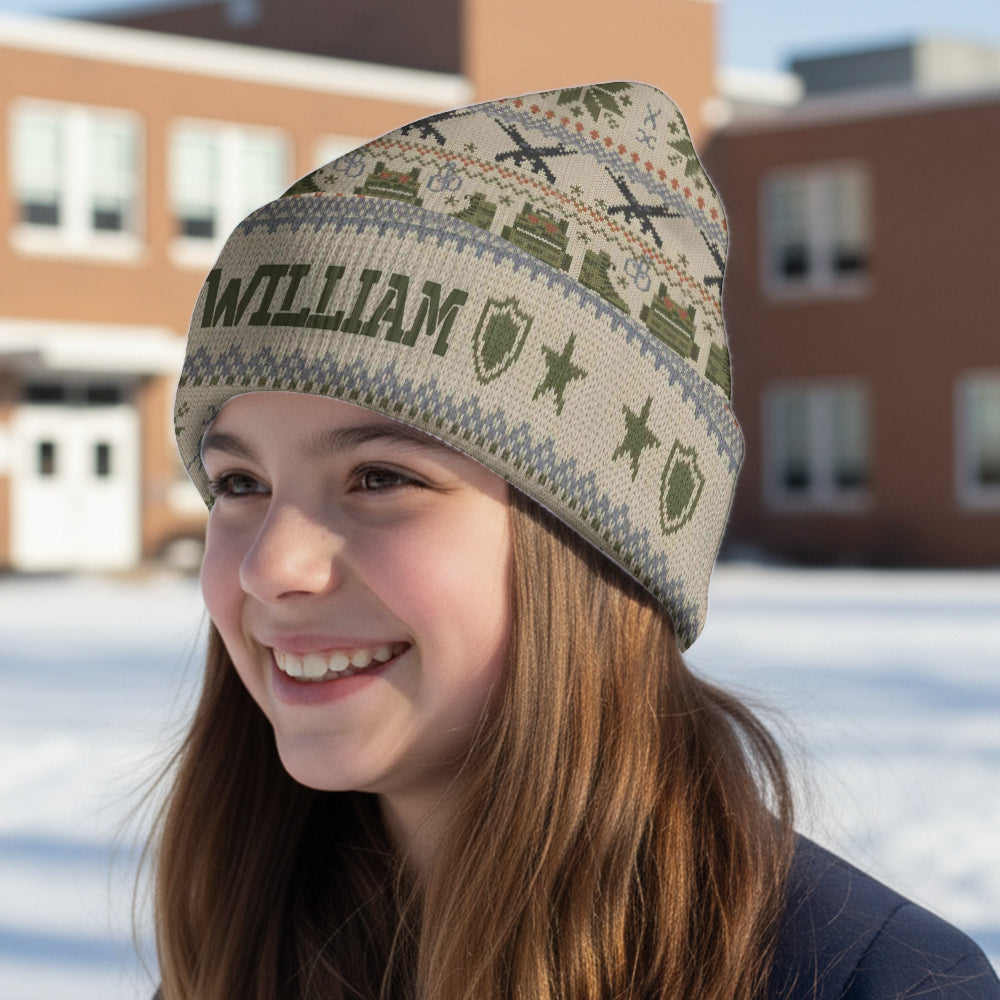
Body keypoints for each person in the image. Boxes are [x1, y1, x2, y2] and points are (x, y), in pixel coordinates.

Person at [157, 81, 999, 999]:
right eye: (239, 483)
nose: (271, 565)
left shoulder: (875, 984)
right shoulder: (244, 949)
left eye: (382, 478)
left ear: (598, 543)